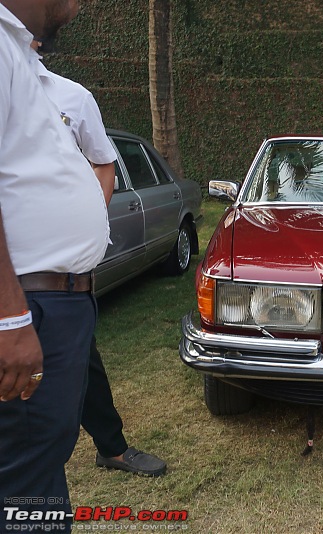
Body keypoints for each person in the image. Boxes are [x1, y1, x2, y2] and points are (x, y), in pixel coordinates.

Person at [32, 39, 168, 478]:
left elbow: (103, 162)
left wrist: (90, 223)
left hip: (56, 276)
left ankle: (110, 446)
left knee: (80, 363)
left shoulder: (71, 97)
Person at [0, 0, 108, 531]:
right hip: (26, 303)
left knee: (40, 456)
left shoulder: (16, 54)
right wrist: (9, 318)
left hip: (53, 301)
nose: (78, 6)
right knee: (22, 466)